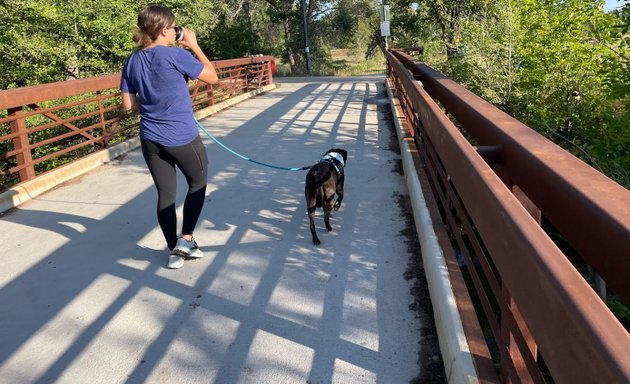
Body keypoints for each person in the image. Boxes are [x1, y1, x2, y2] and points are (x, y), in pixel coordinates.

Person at [120, 5, 218, 269]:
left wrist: (151, 106)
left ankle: (173, 249)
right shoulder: (175, 55)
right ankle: (185, 240)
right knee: (198, 182)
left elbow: (128, 105)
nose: (178, 31)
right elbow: (213, 77)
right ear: (164, 30)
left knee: (166, 195)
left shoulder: (131, 60)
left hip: (150, 139)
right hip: (181, 136)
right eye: (175, 27)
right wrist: (195, 46)